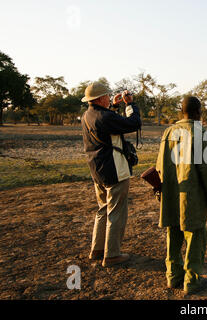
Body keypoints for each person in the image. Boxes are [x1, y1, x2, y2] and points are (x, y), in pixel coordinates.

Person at [156, 96, 207, 295]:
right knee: (195, 236)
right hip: (193, 198)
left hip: (171, 194)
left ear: (181, 111)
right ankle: (192, 281)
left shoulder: (168, 132)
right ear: (198, 112)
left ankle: (172, 276)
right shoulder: (200, 133)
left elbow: (159, 166)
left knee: (173, 234)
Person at [81, 81, 141, 267]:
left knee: (103, 209)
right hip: (114, 169)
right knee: (116, 212)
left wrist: (114, 106)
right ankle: (112, 254)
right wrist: (130, 104)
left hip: (97, 169)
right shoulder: (105, 117)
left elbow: (108, 123)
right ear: (100, 98)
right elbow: (134, 123)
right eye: (107, 96)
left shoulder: (87, 115)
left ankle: (97, 250)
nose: (109, 97)